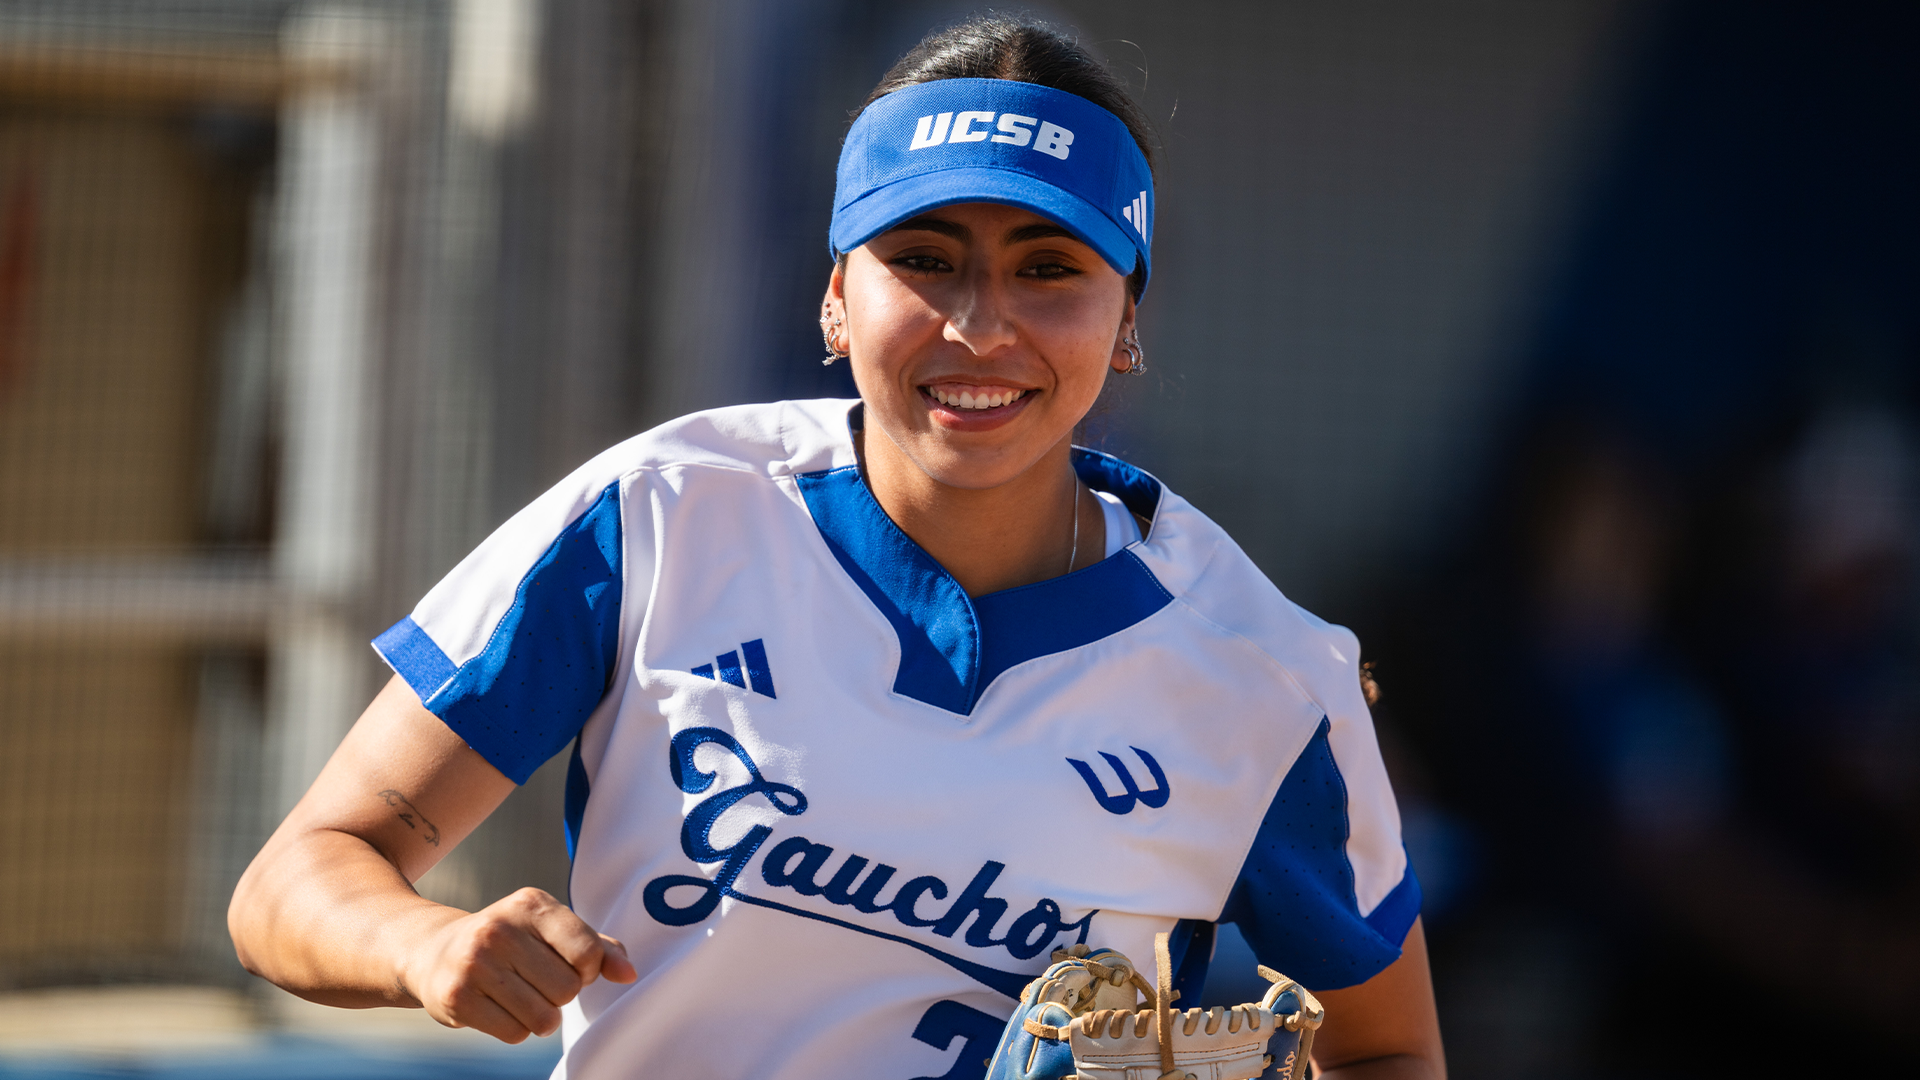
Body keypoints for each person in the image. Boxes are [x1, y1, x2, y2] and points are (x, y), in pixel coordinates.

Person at [229, 17, 1444, 1080]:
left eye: (1049, 269)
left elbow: (1386, 1047)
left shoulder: (1266, 679)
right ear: (833, 296)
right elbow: (298, 877)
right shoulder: (664, 514)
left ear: (1129, 317)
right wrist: (424, 944)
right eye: (922, 259)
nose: (979, 325)